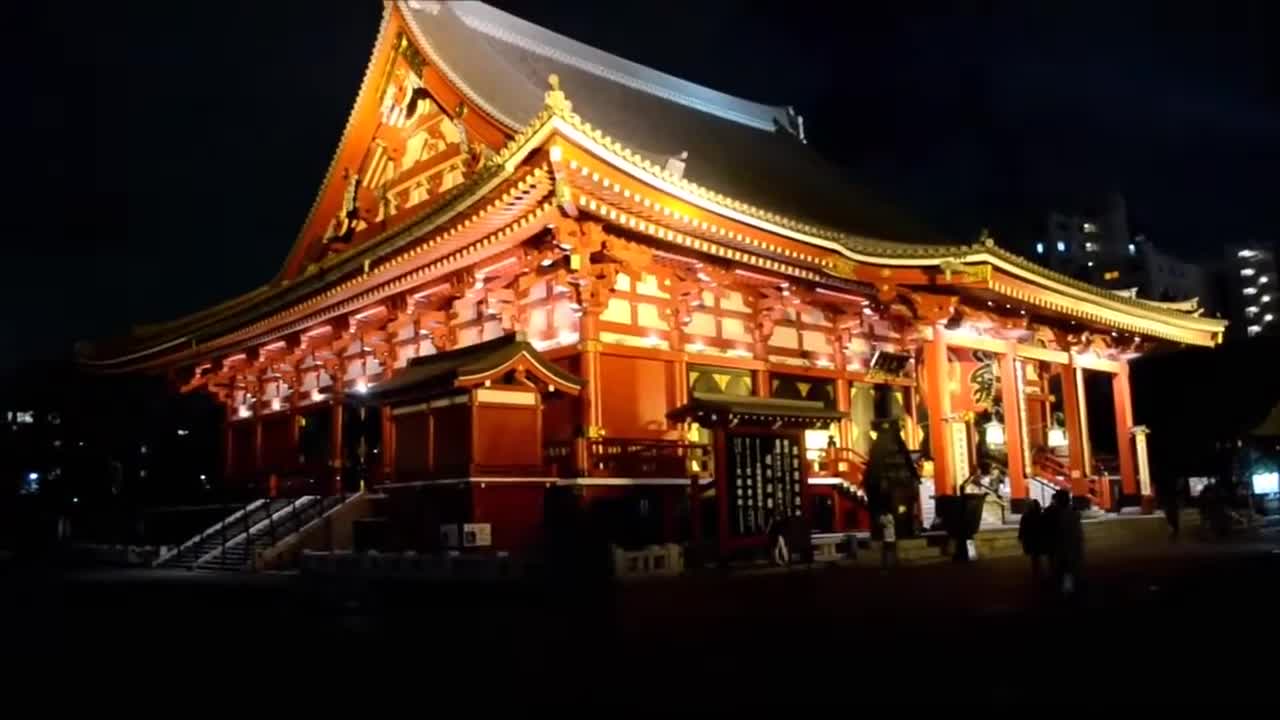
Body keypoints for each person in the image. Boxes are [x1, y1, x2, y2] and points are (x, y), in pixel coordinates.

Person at [1018, 499, 1045, 579]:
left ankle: (1036, 572)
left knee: (1034, 556)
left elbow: (1022, 528)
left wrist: (1020, 536)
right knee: (1036, 555)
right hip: (1038, 537)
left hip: (1030, 538)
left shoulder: (1025, 516)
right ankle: (1038, 571)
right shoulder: (1040, 515)